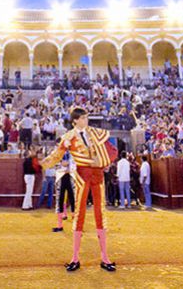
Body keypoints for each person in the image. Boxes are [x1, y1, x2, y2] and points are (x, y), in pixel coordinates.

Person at [41, 106, 117, 272]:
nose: (86, 120)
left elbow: (112, 150)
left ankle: (105, 258)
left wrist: (104, 162)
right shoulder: (68, 137)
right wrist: (43, 163)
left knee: (100, 212)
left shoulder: (96, 133)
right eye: (83, 118)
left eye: (86, 117)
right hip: (82, 176)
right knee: (79, 213)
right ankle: (75, 258)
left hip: (97, 175)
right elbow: (56, 155)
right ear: (75, 120)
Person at [53, 157, 76, 232]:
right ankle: (60, 226)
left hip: (70, 178)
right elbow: (56, 165)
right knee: (61, 201)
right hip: (62, 178)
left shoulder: (71, 154)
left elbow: (74, 166)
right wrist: (66, 166)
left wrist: (66, 166)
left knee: (74, 201)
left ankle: (76, 226)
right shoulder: (61, 153)